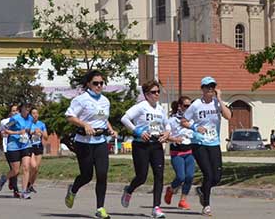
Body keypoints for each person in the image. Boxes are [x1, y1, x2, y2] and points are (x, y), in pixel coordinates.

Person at [64, 70, 116, 219]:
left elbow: (103, 118)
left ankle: (100, 208)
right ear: (88, 84)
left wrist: (111, 130)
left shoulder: (105, 101)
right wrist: (84, 124)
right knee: (87, 176)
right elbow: (70, 116)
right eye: (95, 83)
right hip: (84, 142)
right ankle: (73, 190)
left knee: (102, 174)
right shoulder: (81, 99)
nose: (99, 86)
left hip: (100, 142)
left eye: (101, 83)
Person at [120, 79, 173, 219]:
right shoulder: (141, 106)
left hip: (156, 145)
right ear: (146, 94)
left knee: (159, 175)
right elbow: (124, 119)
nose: (156, 95)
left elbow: (167, 125)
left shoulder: (160, 108)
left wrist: (167, 133)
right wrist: (137, 131)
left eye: (158, 92)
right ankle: (129, 190)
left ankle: (156, 207)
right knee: (142, 176)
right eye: (153, 92)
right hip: (141, 145)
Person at [182, 76, 232, 217]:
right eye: (207, 87)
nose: (210, 89)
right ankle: (206, 205)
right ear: (202, 89)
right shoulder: (196, 104)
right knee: (208, 174)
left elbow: (228, 116)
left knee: (217, 177)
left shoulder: (217, 103)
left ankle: (202, 190)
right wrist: (195, 127)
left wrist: (220, 99)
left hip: (214, 143)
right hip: (199, 143)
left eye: (212, 86)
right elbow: (184, 121)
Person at [164, 96, 195, 211]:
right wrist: (174, 140)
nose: (188, 108)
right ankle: (170, 190)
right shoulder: (172, 120)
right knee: (181, 176)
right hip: (177, 152)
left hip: (189, 151)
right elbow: (166, 136)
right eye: (186, 106)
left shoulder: (191, 120)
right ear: (180, 106)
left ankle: (183, 200)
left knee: (190, 176)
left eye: (190, 106)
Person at [2, 102, 35, 199]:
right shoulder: (15, 119)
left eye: (29, 107)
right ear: (21, 109)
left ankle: (24, 191)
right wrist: (17, 132)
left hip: (25, 145)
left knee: (26, 167)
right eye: (26, 107)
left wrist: (34, 132)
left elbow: (28, 130)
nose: (28, 109)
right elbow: (5, 129)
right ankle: (4, 178)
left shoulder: (30, 119)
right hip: (14, 145)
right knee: (15, 170)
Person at [0, 104, 20, 196]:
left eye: (16, 110)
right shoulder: (5, 122)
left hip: (21, 147)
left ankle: (9, 178)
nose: (15, 112)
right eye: (13, 111)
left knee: (17, 169)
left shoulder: (22, 121)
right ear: (10, 112)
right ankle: (16, 190)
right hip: (9, 147)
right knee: (14, 168)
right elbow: (2, 132)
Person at [28, 107, 48, 194]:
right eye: (33, 113)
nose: (35, 115)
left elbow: (46, 137)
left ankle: (30, 185)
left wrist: (41, 132)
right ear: (30, 115)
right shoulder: (28, 124)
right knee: (33, 166)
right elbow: (24, 133)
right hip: (30, 146)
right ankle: (27, 183)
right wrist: (32, 132)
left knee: (36, 169)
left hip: (39, 146)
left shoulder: (42, 124)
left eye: (36, 113)